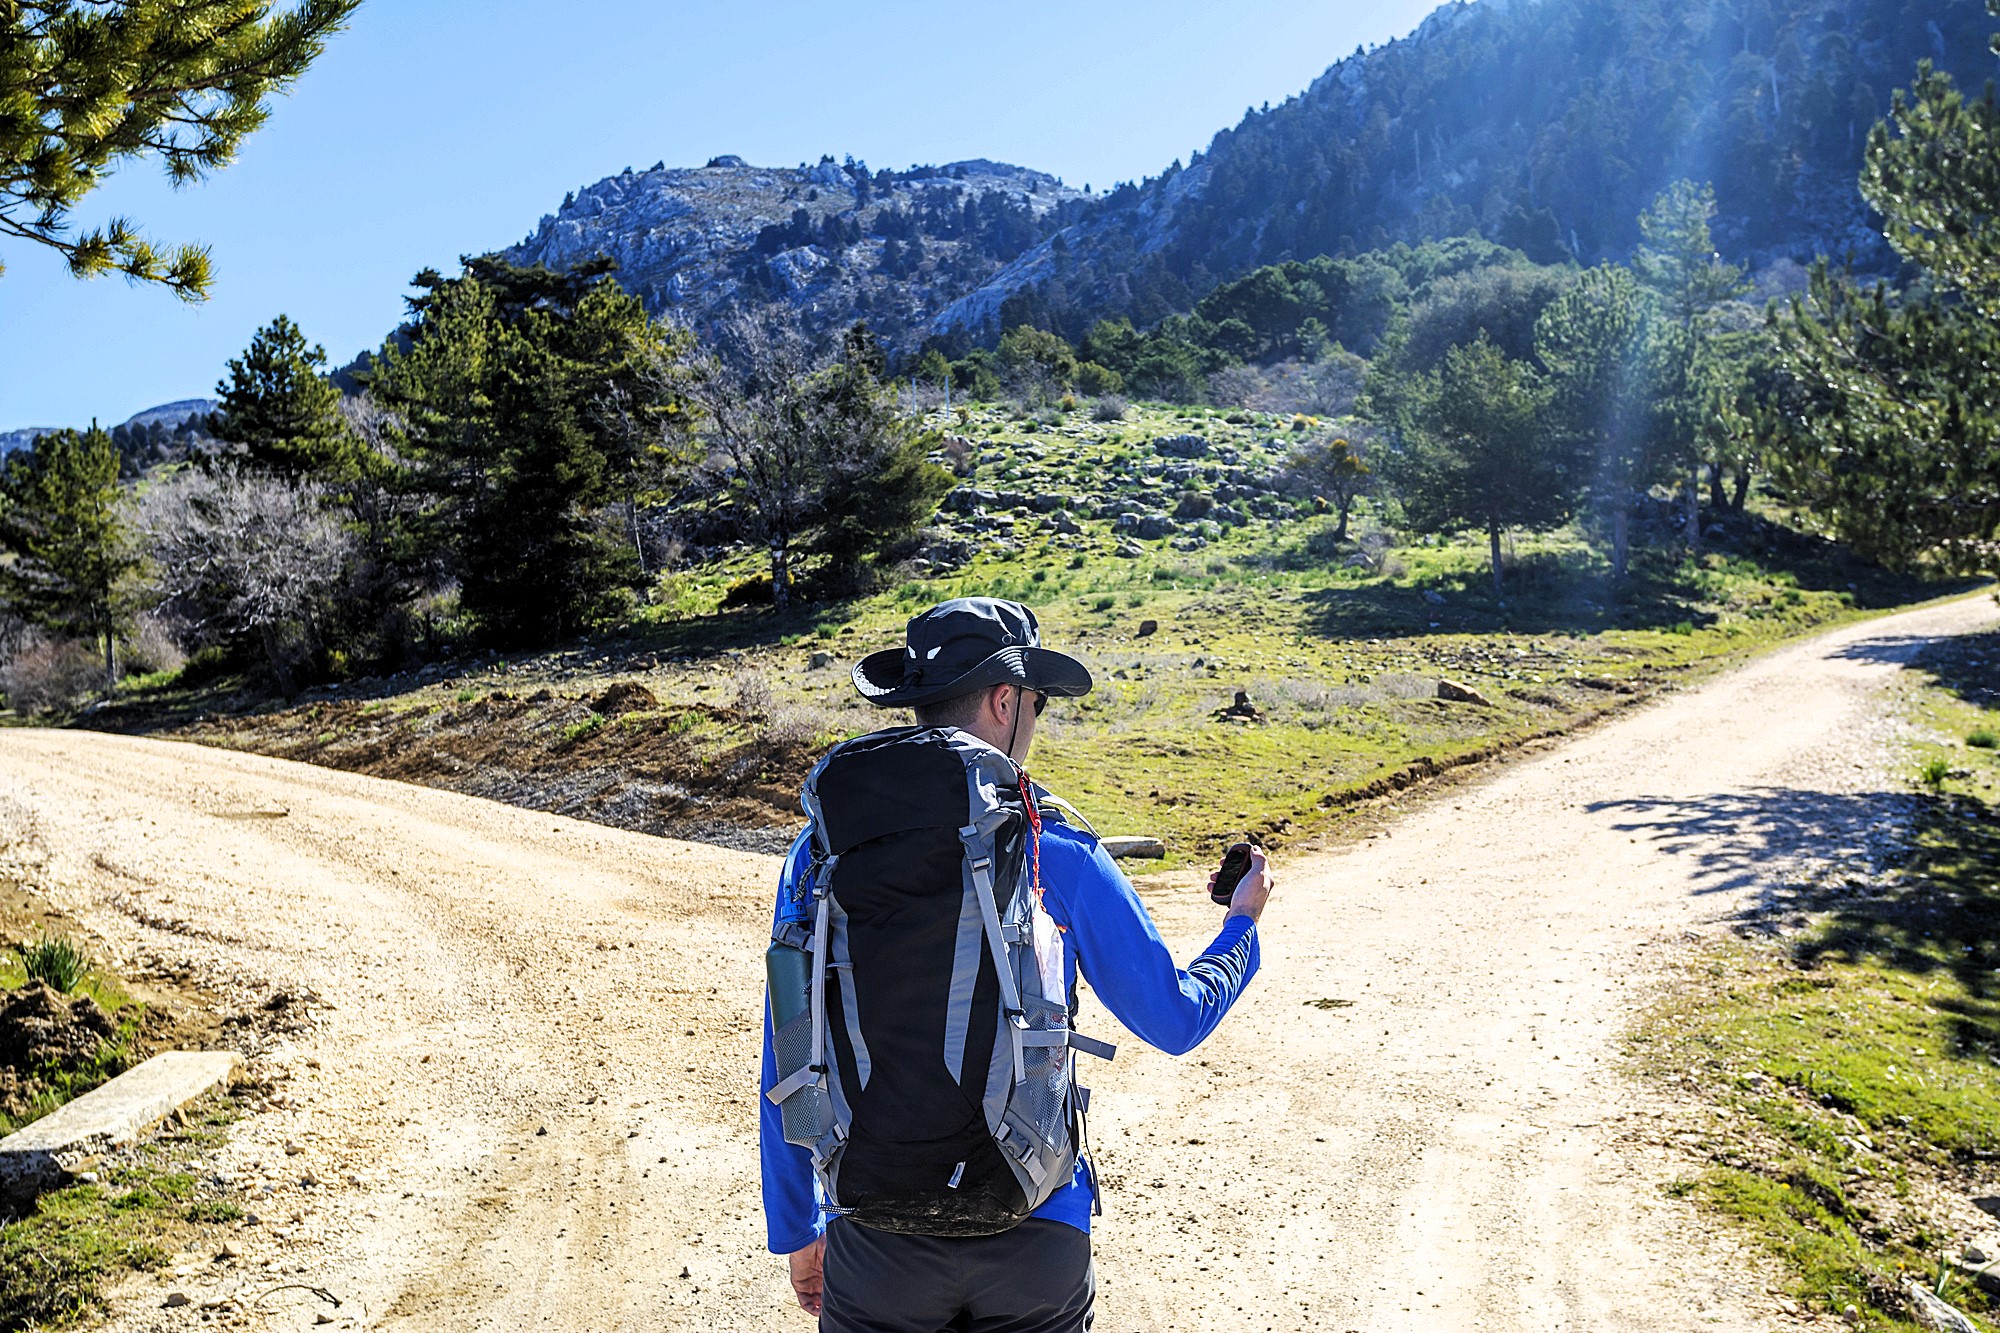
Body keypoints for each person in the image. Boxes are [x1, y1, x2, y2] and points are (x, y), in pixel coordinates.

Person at [758, 597, 1274, 1332]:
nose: (1035, 719)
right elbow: (1175, 1017)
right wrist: (1241, 925)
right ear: (1006, 700)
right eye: (1036, 702)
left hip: (873, 1237)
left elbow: (788, 1049)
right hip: (1036, 1224)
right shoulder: (1051, 843)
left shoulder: (819, 854)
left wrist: (800, 1227)